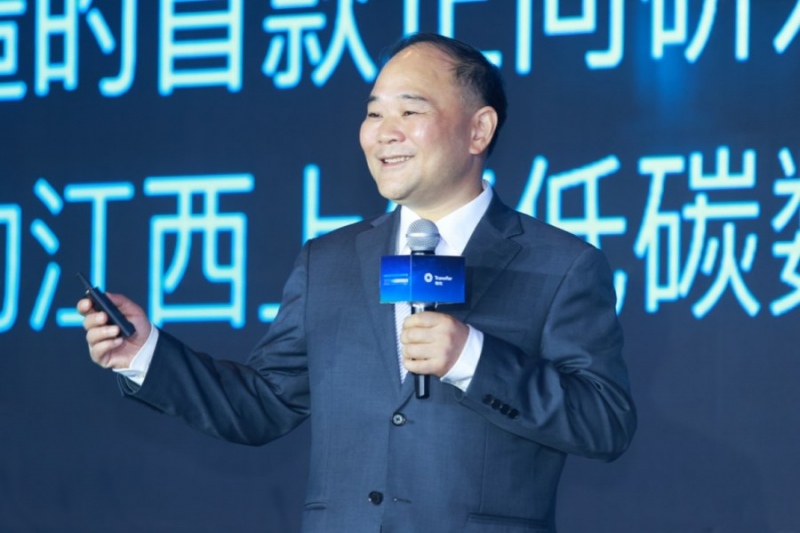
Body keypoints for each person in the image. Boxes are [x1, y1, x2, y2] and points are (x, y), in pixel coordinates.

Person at [80, 33, 636, 533]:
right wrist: (145, 353)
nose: (384, 133)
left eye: (409, 110)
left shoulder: (560, 264)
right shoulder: (330, 262)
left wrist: (473, 358)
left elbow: (605, 422)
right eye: (374, 113)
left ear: (478, 129)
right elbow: (263, 404)